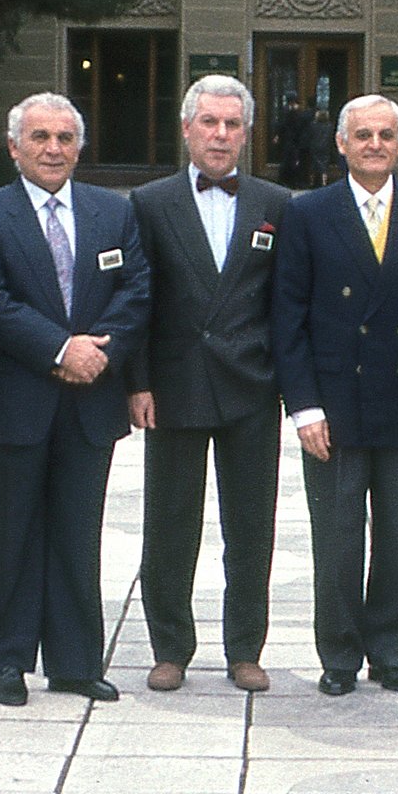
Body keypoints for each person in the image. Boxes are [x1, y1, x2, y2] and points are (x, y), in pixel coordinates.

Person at [271, 95, 398, 695]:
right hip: (333, 407)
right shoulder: (308, 212)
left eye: (385, 135)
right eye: (362, 135)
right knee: (337, 540)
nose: (374, 145)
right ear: (341, 143)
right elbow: (288, 316)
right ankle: (338, 656)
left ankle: (392, 651)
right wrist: (304, 407)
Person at [0, 92, 149, 706]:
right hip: (12, 399)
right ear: (13, 147)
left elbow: (136, 292)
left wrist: (99, 352)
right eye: (39, 137)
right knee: (7, 532)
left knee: (77, 534)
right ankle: (7, 660)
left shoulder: (113, 212)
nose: (53, 149)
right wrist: (60, 349)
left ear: (80, 147)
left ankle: (74, 663)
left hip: (90, 399)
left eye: (65, 138)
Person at [128, 76, 291, 694]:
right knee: (169, 524)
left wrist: (290, 387)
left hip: (251, 384)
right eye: (209, 123)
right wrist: (137, 381)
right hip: (175, 386)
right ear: (186, 128)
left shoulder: (277, 203)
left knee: (251, 526)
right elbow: (137, 300)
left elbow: (286, 303)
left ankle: (245, 648)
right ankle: (170, 648)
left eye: (232, 124)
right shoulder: (149, 203)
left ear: (247, 133)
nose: (220, 135)